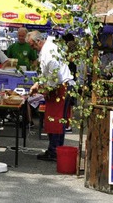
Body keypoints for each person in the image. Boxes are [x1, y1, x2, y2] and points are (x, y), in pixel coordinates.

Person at [27, 31, 75, 162]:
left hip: (60, 87)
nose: (32, 48)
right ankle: (55, 149)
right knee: (56, 120)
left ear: (38, 41)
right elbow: (46, 73)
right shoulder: (47, 49)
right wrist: (38, 83)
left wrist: (47, 89)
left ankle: (55, 151)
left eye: (32, 45)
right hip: (60, 86)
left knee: (55, 120)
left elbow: (54, 75)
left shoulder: (48, 52)